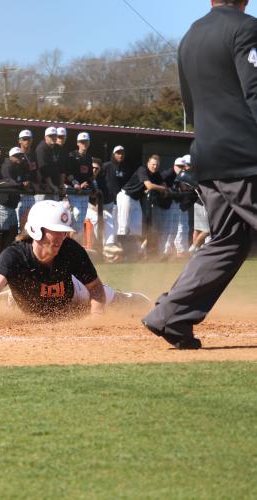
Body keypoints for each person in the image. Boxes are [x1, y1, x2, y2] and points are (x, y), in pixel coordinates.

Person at [142, 0, 257, 350]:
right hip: (245, 156)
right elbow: (254, 91)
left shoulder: (190, 35)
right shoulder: (246, 28)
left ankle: (171, 316)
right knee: (226, 240)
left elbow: (190, 107)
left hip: (206, 156)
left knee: (227, 241)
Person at [0, 200, 149, 323]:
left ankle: (126, 298)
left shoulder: (70, 249)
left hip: (71, 296)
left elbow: (95, 288)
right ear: (36, 230)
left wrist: (96, 319)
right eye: (55, 231)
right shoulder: (14, 255)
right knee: (1, 291)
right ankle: (13, 295)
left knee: (105, 297)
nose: (61, 237)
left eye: (64, 231)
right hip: (33, 302)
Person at [116, 155, 167, 257]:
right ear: (148, 163)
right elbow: (149, 186)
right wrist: (162, 189)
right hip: (125, 196)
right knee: (124, 226)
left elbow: (163, 185)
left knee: (137, 228)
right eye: (153, 164)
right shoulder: (142, 169)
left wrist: (163, 188)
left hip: (136, 199)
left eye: (157, 165)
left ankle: (132, 254)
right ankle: (117, 253)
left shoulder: (156, 174)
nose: (155, 166)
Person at [100, 146, 134, 254]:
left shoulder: (126, 169)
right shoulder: (106, 166)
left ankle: (115, 252)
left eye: (122, 153)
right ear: (113, 154)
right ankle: (106, 249)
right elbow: (100, 181)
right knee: (109, 226)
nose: (120, 155)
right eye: (118, 153)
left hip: (121, 203)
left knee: (119, 227)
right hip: (108, 201)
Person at [0, 147, 23, 254]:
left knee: (13, 229)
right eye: (17, 156)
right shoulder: (7, 166)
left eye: (20, 155)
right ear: (11, 156)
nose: (19, 157)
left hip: (12, 203)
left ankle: (4, 253)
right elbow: (10, 181)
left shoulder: (17, 166)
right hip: (3, 202)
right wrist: (20, 184)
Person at [67, 132, 94, 243]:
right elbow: (68, 173)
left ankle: (75, 246)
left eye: (86, 142)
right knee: (75, 216)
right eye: (82, 142)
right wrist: (76, 183)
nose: (84, 144)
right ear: (78, 143)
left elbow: (89, 176)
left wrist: (88, 183)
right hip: (73, 191)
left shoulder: (88, 158)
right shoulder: (72, 156)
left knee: (80, 220)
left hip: (84, 193)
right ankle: (68, 243)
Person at [16, 129, 40, 230]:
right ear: (19, 141)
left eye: (29, 139)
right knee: (19, 222)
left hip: (31, 193)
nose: (27, 141)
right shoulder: (16, 154)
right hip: (19, 193)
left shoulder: (34, 155)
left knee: (30, 221)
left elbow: (37, 171)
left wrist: (37, 184)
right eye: (24, 139)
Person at [35, 127, 62, 201]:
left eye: (55, 136)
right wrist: (51, 185)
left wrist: (60, 185)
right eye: (50, 136)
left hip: (54, 188)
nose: (53, 138)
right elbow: (43, 169)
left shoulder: (56, 148)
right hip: (44, 189)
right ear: (45, 137)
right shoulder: (42, 148)